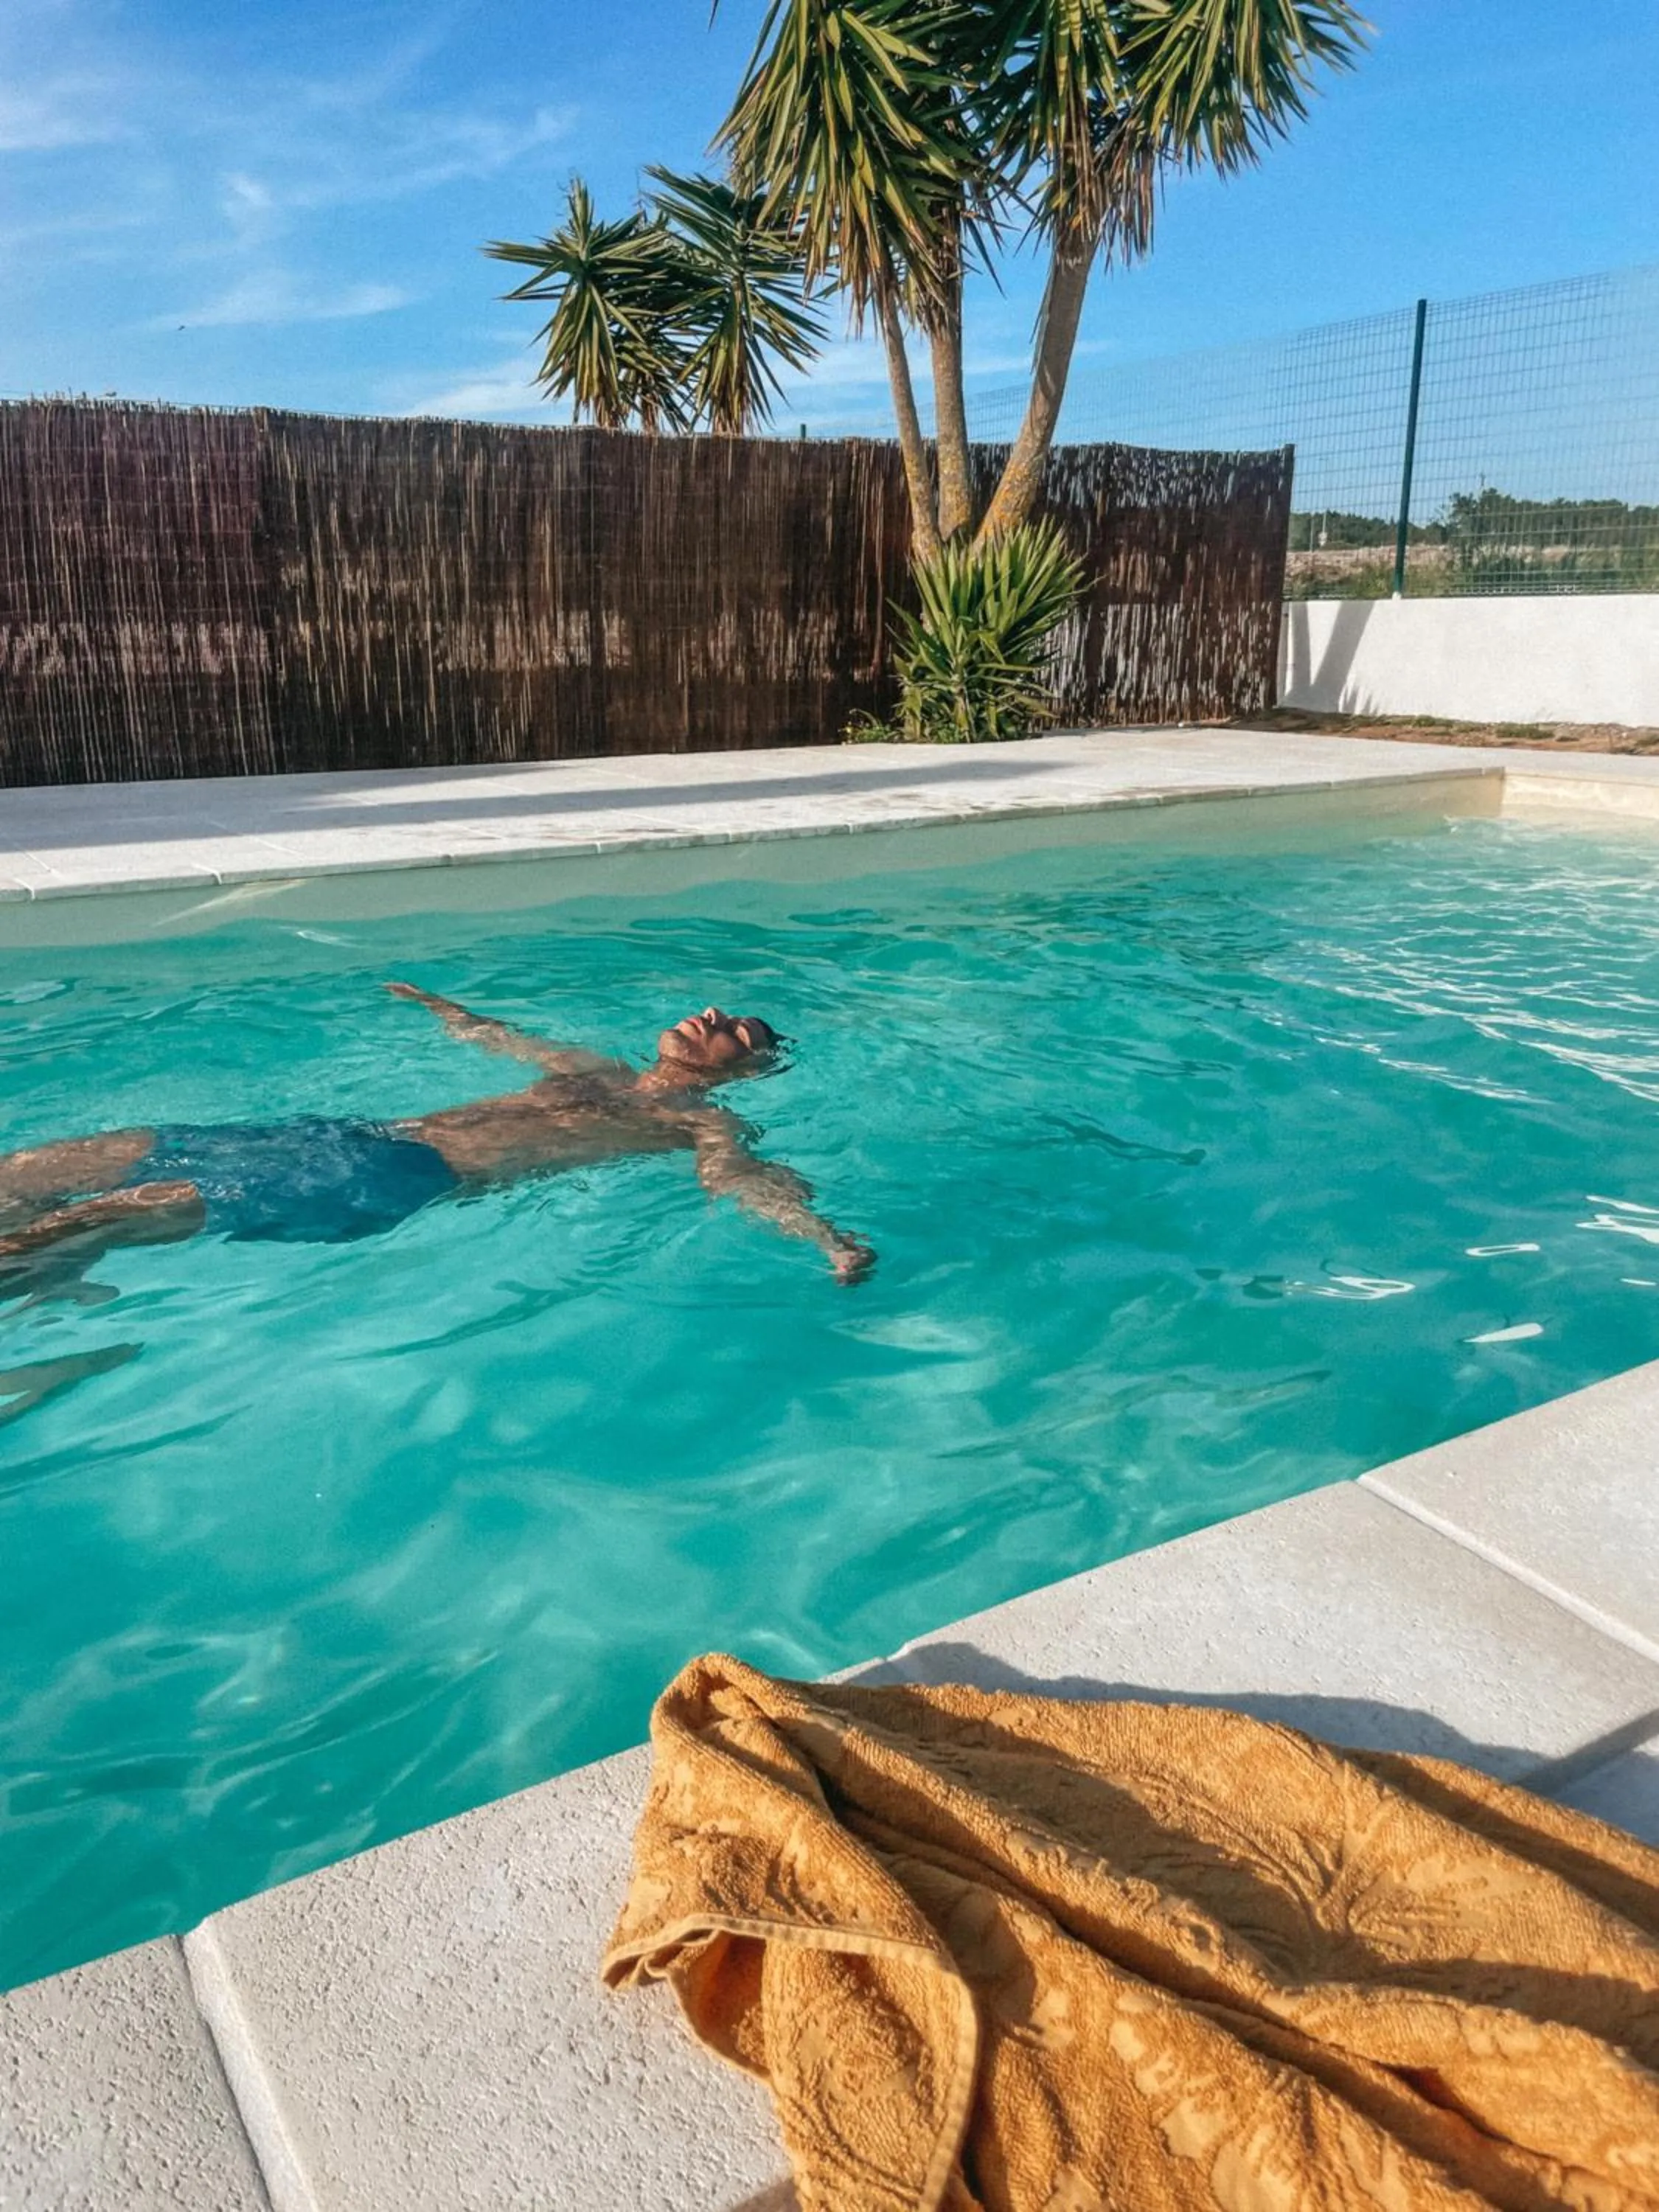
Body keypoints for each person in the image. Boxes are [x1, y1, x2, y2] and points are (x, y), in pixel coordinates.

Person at [0, 988, 875, 1285]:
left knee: (94, 1219)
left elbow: (742, 1181)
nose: (712, 1013)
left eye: (737, 1029)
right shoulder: (595, 1072)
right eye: (718, 1009)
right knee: (47, 1165)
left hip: (392, 1177)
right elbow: (500, 1035)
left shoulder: (696, 1119)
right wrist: (435, 1006)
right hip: (345, 1133)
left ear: (742, 1067)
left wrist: (826, 1240)